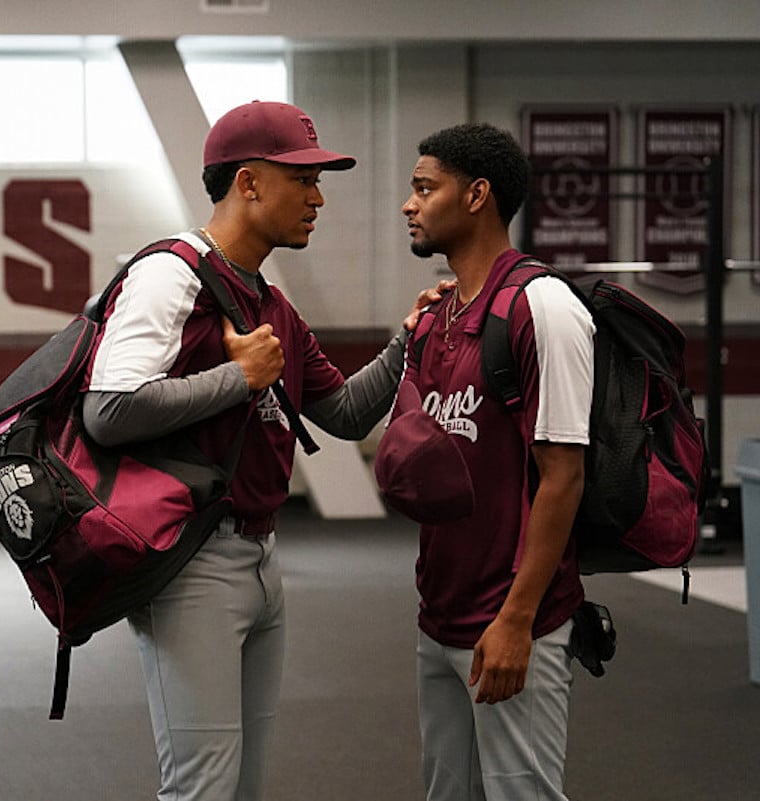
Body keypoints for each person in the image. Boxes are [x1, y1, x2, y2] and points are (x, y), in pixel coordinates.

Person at [81, 100, 442, 801]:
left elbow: (340, 411)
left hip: (261, 558)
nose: (318, 197)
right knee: (202, 787)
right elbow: (108, 410)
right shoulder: (171, 273)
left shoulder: (271, 300)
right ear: (248, 183)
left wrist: (408, 340)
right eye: (302, 179)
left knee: (242, 787)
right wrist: (237, 377)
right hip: (190, 562)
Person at [391, 122, 596, 801]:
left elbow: (563, 475)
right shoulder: (434, 318)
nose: (409, 204)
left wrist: (517, 619)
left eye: (425, 188)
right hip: (440, 611)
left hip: (513, 620)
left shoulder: (544, 308)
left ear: (477, 195)